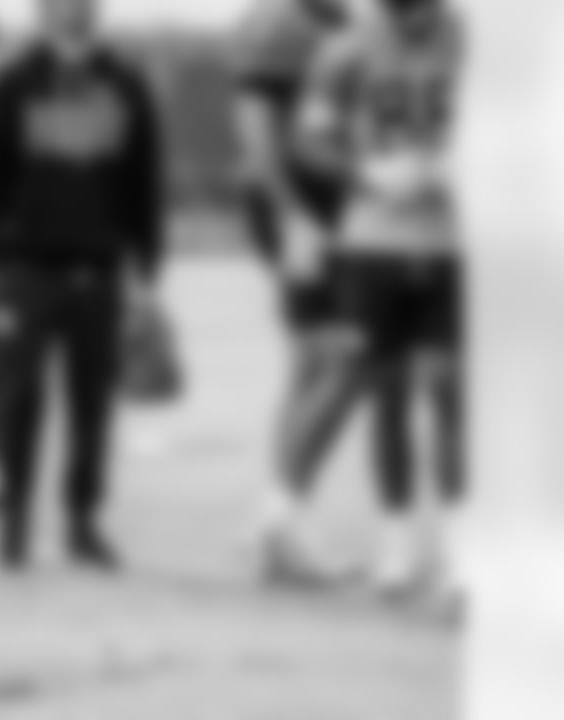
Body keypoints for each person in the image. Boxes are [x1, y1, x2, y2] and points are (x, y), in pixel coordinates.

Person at [0, 0, 165, 571]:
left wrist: (147, 268)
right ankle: (14, 521)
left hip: (97, 267)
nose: (71, 15)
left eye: (81, 6)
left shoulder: (127, 85)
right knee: (18, 398)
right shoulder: (11, 84)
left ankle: (83, 519)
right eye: (58, 6)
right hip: (25, 267)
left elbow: (145, 180)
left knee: (91, 403)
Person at [299, 0, 466, 601]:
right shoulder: (345, 49)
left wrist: (464, 165)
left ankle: (461, 547)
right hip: (374, 238)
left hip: (454, 237)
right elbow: (313, 142)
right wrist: (367, 174)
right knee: (386, 390)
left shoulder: (469, 42)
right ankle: (395, 539)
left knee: (450, 388)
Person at [230, 0, 360, 581]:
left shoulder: (335, 24)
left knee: (311, 362)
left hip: (333, 213)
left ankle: (281, 523)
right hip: (303, 213)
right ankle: (281, 513)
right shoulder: (283, 24)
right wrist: (291, 216)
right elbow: (257, 133)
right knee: (347, 355)